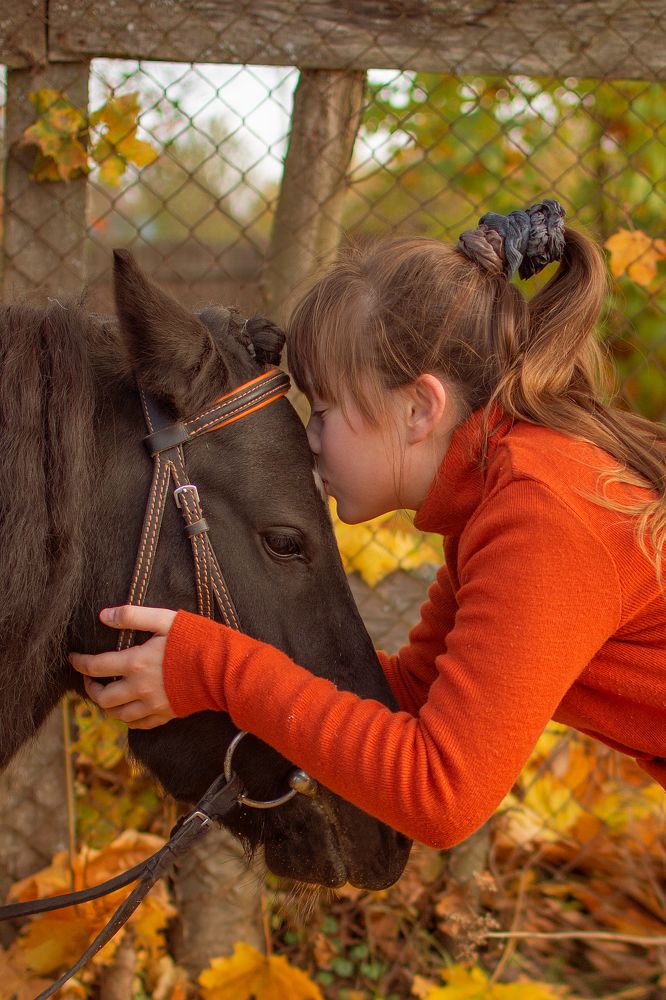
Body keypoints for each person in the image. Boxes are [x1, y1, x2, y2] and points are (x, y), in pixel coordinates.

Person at [70, 201, 666, 850]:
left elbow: (440, 795)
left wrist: (219, 670)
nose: (312, 441)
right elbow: (409, 696)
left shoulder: (542, 510)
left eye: (324, 408)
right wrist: (202, 671)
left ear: (419, 407)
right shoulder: (500, 489)